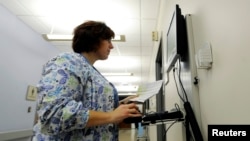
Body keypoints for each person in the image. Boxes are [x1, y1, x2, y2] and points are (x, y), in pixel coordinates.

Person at [33, 20, 142, 141]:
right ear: (94, 40)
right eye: (108, 41)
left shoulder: (90, 71)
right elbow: (53, 115)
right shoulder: (66, 61)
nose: (111, 46)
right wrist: (111, 116)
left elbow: (91, 104)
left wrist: (120, 107)